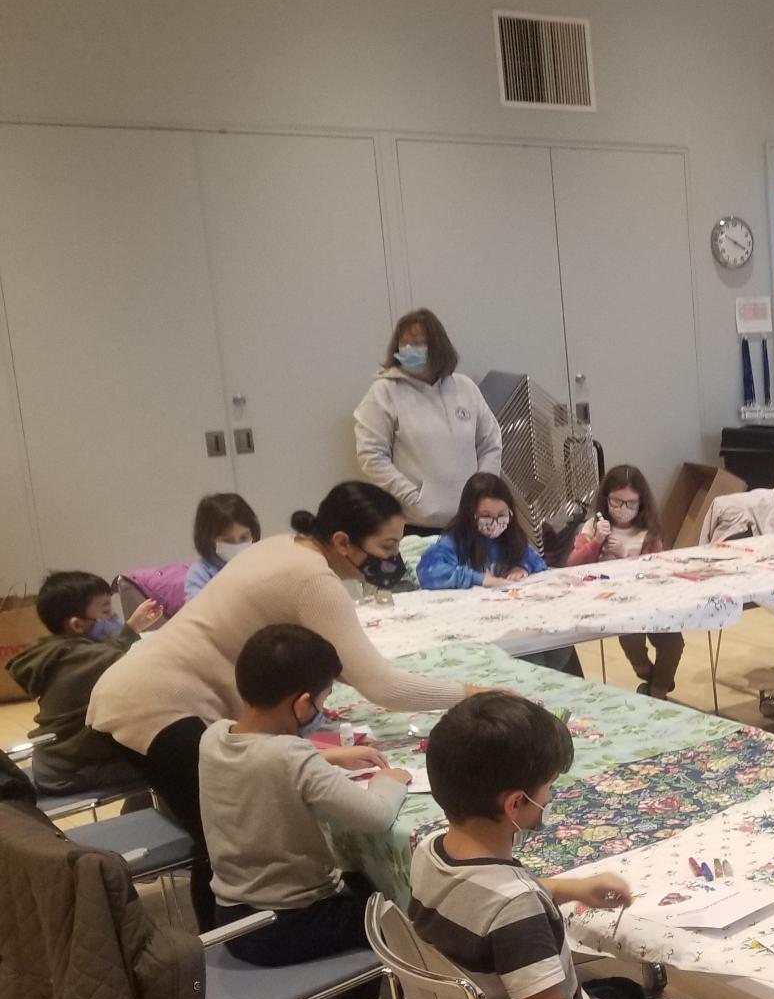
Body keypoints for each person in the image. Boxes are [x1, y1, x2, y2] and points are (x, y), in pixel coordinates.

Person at [88, 481, 477, 931]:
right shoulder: (313, 578)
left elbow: (344, 664)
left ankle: (233, 942)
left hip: (134, 687)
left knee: (219, 837)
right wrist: (471, 695)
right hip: (162, 708)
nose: (392, 559)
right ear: (342, 542)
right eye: (387, 546)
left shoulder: (284, 547)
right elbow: (379, 684)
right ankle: (232, 949)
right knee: (221, 844)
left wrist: (324, 752)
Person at [410, 692, 726, 999]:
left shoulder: (429, 850)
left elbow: (482, 912)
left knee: (621, 993)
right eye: (547, 788)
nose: (550, 798)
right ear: (515, 804)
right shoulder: (515, 907)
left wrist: (567, 889)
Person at [197, 624, 422, 999]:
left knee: (364, 884)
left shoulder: (213, 736)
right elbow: (374, 816)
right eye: (321, 702)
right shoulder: (291, 756)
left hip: (236, 918)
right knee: (420, 927)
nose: (321, 712)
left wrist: (329, 756)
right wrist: (392, 780)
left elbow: (270, 760)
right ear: (302, 705)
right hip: (292, 926)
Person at [6, 572, 162, 795]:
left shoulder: (57, 651)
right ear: (78, 625)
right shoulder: (86, 659)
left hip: (54, 761)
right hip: (75, 771)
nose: (114, 617)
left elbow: (106, 653)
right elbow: (131, 664)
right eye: (107, 611)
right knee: (173, 759)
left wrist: (132, 628)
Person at [352, 307, 503, 533]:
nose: (411, 349)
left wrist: (483, 493)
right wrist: (413, 498)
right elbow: (372, 456)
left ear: (438, 346)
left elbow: (490, 443)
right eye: (406, 343)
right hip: (417, 524)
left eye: (420, 342)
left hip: (470, 521)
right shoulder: (384, 392)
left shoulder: (465, 388)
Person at [568, 464, 684, 699]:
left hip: (649, 600)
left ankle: (657, 693)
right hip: (613, 603)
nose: (622, 509)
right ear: (606, 500)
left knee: (673, 643)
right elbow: (573, 564)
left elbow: (656, 571)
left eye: (630, 503)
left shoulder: (648, 531)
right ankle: (648, 675)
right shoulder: (593, 526)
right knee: (631, 638)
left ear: (641, 502)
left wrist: (625, 555)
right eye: (616, 502)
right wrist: (596, 542)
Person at [416, 472, 549, 589]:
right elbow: (427, 572)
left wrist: (522, 567)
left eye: (502, 515)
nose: (495, 523)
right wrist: (480, 579)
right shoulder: (455, 541)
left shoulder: (511, 538)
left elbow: (538, 562)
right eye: (486, 516)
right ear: (469, 514)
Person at [183, 493, 262, 603]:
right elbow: (195, 614)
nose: (237, 545)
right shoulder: (200, 573)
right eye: (227, 540)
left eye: (244, 537)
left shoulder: (261, 563)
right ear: (208, 539)